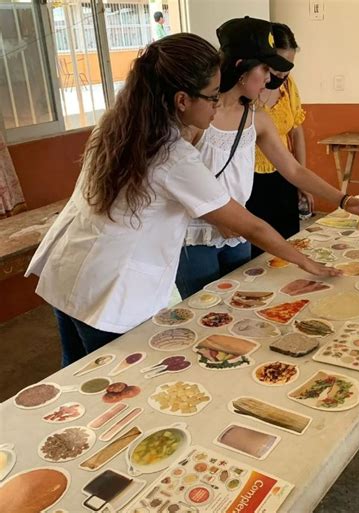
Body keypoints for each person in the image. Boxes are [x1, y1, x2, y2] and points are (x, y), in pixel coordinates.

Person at [25, 33, 342, 367]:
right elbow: (249, 226)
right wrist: (306, 262)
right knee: (118, 383)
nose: (217, 104)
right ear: (181, 101)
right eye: (210, 97)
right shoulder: (172, 155)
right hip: (108, 289)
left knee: (75, 378)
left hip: (68, 268)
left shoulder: (116, 123)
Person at [176, 17, 359, 299]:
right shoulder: (195, 117)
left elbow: (294, 171)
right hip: (195, 235)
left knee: (241, 304)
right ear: (241, 68)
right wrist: (216, 218)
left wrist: (345, 201)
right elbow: (175, 183)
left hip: (239, 232)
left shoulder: (256, 118)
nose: (270, 79)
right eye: (265, 69)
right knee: (202, 312)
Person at [247, 22, 311, 258]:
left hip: (283, 173)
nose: (282, 75)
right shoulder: (246, 92)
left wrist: (302, 181)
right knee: (257, 252)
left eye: (288, 68)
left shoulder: (288, 87)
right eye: (277, 67)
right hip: (249, 179)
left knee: (289, 245)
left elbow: (296, 131)